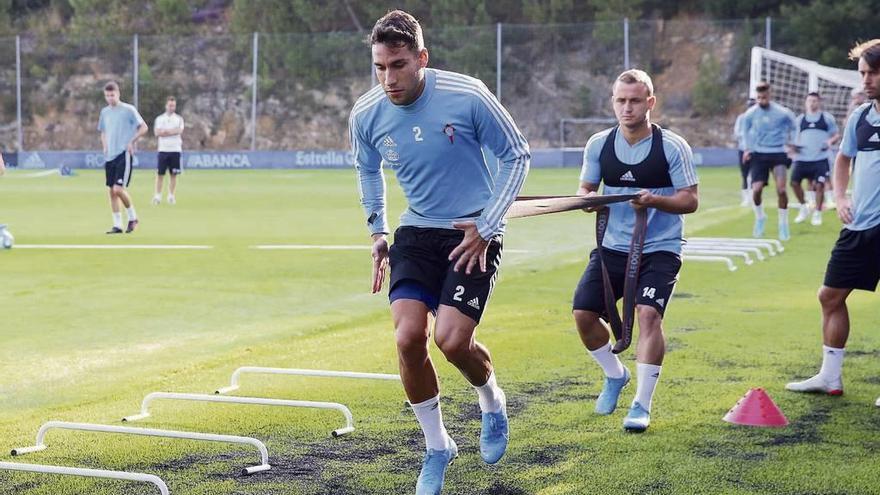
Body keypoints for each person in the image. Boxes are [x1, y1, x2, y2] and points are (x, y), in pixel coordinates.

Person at [348, 10, 530, 494]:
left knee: (452, 342)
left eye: (399, 65)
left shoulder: (467, 95)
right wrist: (377, 233)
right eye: (380, 67)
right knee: (409, 338)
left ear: (421, 59)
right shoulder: (366, 113)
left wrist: (488, 227)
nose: (390, 78)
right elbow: (368, 170)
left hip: (473, 231)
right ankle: (438, 447)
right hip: (416, 233)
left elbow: (518, 155)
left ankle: (491, 400)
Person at [573, 69, 698, 433]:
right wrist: (588, 202)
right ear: (613, 101)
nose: (626, 108)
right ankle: (615, 375)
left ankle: (641, 404)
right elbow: (585, 191)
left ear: (650, 103)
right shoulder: (599, 144)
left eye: (635, 101)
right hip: (612, 247)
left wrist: (656, 199)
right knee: (582, 314)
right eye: (620, 100)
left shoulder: (672, 146)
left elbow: (690, 200)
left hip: (660, 249)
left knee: (647, 316)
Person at [786, 39, 880, 409]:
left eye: (873, 73)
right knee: (829, 296)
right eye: (863, 73)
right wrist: (840, 198)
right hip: (860, 226)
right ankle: (830, 375)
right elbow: (842, 161)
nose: (866, 80)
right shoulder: (858, 116)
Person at [741, 82, 797, 240]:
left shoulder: (782, 112)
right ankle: (760, 217)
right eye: (758, 98)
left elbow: (794, 126)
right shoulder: (751, 114)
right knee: (756, 190)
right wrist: (747, 148)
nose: (761, 100)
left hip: (778, 152)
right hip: (759, 154)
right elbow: (745, 130)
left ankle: (783, 224)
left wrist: (792, 144)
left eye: (764, 97)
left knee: (781, 190)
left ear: (769, 95)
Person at [98, 81, 147, 234]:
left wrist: (132, 141)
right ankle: (117, 225)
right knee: (111, 191)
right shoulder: (104, 112)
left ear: (118, 94)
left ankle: (133, 217)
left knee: (118, 189)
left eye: (112, 95)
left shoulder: (128, 110)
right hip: (110, 156)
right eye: (107, 95)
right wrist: (105, 145)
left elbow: (144, 127)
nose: (110, 98)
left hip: (123, 154)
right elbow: (103, 131)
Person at [790, 93, 840, 226]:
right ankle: (803, 207)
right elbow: (793, 137)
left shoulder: (826, 118)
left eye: (814, 101)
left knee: (819, 185)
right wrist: (793, 147)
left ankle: (817, 213)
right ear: (806, 103)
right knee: (794, 182)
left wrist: (830, 141)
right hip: (802, 158)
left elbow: (836, 135)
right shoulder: (800, 119)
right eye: (810, 101)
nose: (812, 103)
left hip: (820, 158)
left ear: (819, 103)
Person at [152, 96, 184, 205]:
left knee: (173, 174)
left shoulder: (179, 119)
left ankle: (171, 196)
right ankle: (158, 196)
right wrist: (170, 131)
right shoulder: (160, 119)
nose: (172, 107)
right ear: (166, 106)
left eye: (173, 106)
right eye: (170, 105)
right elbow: (157, 132)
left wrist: (166, 132)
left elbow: (179, 131)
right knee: (160, 174)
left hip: (175, 149)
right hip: (163, 150)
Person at [734, 99, 755, 206]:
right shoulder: (741, 118)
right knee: (744, 174)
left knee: (754, 174)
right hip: (743, 149)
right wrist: (746, 134)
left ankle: (753, 196)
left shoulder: (757, 118)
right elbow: (737, 133)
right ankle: (746, 198)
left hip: (755, 150)